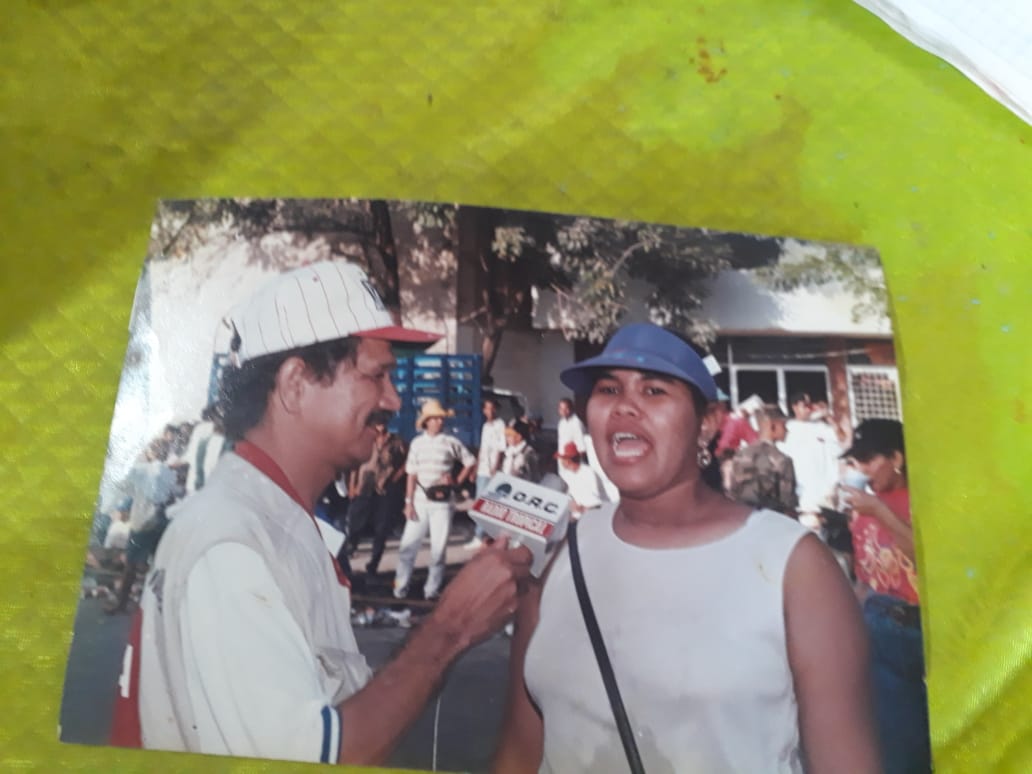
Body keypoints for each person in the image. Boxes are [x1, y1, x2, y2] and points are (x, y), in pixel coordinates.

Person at [113, 260, 532, 766]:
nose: (394, 398)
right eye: (376, 375)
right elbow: (318, 756)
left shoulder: (263, 521)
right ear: (295, 384)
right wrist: (450, 628)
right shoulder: (233, 545)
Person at [495, 322, 878, 774]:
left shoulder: (793, 565)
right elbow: (520, 753)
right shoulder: (564, 554)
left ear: (708, 423)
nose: (625, 407)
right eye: (608, 389)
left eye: (654, 390)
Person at [840, 418, 930, 774]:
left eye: (869, 458)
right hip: (878, 628)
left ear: (897, 457)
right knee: (896, 743)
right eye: (856, 460)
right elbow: (866, 577)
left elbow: (927, 561)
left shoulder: (922, 500)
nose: (861, 468)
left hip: (920, 627)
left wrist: (881, 513)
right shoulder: (863, 510)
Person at [393, 398, 477, 601]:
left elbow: (470, 461)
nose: (440, 421)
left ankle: (431, 590)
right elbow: (411, 475)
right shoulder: (417, 443)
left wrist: (456, 481)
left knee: (438, 550)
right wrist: (408, 503)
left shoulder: (451, 442)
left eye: (441, 418)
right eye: (436, 418)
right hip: (420, 502)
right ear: (427, 421)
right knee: (407, 547)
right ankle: (399, 588)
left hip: (443, 504)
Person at [345, 419, 407, 576]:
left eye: (383, 421)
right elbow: (355, 464)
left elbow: (407, 462)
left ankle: (373, 564)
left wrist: (396, 477)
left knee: (382, 528)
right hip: (364, 485)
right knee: (355, 523)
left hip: (384, 488)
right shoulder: (364, 439)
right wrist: (352, 486)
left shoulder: (396, 441)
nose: (381, 425)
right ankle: (349, 552)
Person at [780, 392, 843, 531]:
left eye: (810, 405)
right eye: (804, 405)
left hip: (826, 494)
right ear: (795, 407)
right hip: (804, 495)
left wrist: (827, 416)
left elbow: (841, 441)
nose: (808, 409)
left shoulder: (821, 427)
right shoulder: (789, 429)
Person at [728, 404, 799, 516]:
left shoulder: (740, 456)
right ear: (773, 426)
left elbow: (732, 493)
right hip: (771, 523)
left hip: (743, 521)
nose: (786, 430)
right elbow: (788, 505)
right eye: (783, 425)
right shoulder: (782, 460)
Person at [466, 397, 508, 549]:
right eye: (486, 408)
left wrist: (495, 468)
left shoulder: (500, 425)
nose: (489, 411)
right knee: (480, 503)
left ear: (495, 409)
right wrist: (475, 468)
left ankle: (480, 535)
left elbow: (500, 449)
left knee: (485, 503)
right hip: (482, 469)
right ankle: (483, 535)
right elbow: (483, 449)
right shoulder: (485, 426)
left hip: (491, 470)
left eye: (492, 408)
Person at [554, 441, 605, 517]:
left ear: (568, 460)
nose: (560, 462)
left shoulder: (588, 472)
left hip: (592, 514)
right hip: (573, 516)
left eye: (562, 459)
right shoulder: (566, 475)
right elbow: (567, 496)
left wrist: (584, 509)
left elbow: (598, 499)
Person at [555, 397, 587, 489]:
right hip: (562, 457)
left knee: (574, 483)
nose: (564, 411)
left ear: (571, 409)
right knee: (563, 481)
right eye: (561, 409)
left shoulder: (576, 422)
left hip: (573, 459)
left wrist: (579, 462)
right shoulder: (561, 422)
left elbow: (581, 443)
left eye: (566, 408)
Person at [501, 418, 542, 483]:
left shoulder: (528, 453)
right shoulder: (509, 451)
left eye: (510, 435)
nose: (507, 438)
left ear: (519, 436)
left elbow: (534, 477)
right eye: (507, 436)